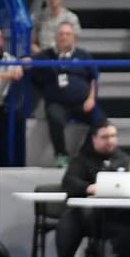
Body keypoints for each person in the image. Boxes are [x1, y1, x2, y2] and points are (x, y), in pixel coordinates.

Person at [54, 122, 130, 257]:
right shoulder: (81, 160)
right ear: (94, 139)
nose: (110, 141)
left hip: (119, 215)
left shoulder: (125, 159)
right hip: (89, 216)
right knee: (69, 219)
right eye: (105, 137)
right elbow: (68, 182)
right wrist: (89, 187)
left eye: (113, 136)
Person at [28, 22, 99, 160]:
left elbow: (94, 78)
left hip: (82, 103)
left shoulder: (83, 55)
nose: (64, 37)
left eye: (68, 34)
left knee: (100, 121)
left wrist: (91, 98)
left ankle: (84, 155)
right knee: (55, 118)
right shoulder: (46, 55)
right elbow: (28, 61)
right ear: (55, 37)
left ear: (74, 38)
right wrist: (22, 64)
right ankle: (61, 155)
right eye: (61, 34)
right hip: (57, 103)